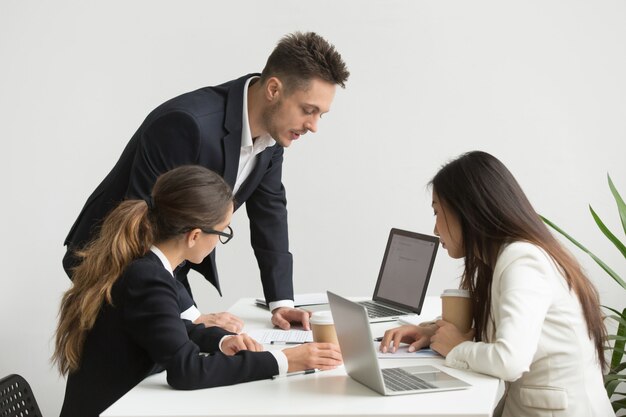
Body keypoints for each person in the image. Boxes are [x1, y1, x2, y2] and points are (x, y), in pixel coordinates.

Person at [62, 31, 350, 333]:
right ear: (274, 89)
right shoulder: (186, 125)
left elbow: (270, 214)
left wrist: (282, 303)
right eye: (308, 110)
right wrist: (190, 314)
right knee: (144, 369)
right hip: (110, 262)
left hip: (162, 264)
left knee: (192, 356)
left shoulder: (274, 134)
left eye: (321, 114)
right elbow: (146, 226)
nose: (314, 126)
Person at [53, 165, 342, 417]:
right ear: (194, 235)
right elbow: (186, 372)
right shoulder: (149, 278)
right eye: (223, 232)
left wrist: (221, 341)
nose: (220, 241)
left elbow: (162, 329)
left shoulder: (143, 267)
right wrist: (285, 360)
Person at [380, 151, 613, 417]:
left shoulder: (522, 260)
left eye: (437, 212)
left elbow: (509, 360)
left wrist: (455, 347)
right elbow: (502, 327)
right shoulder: (505, 257)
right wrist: (434, 333)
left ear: (466, 211)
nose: (435, 229)